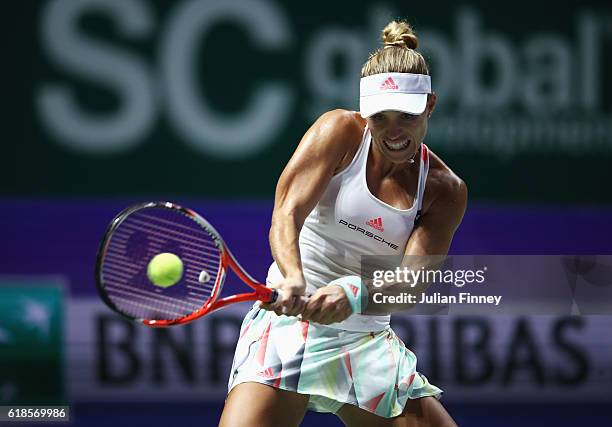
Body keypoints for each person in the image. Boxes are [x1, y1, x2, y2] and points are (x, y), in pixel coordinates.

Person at [219, 19, 466, 427]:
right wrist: (293, 276)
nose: (393, 131)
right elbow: (287, 212)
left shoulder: (445, 189)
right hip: (289, 327)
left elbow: (410, 283)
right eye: (380, 117)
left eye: (405, 116)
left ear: (430, 105)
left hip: (365, 338)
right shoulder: (338, 131)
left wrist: (352, 293)